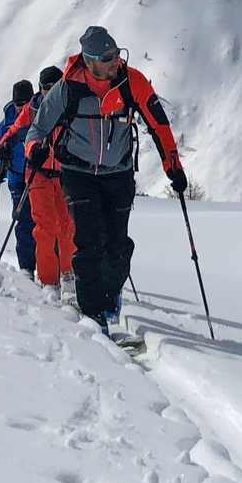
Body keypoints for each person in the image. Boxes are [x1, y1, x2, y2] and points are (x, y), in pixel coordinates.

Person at [24, 25, 187, 332]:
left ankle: (111, 297)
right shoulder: (68, 87)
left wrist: (173, 167)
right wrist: (34, 148)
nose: (115, 61)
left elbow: (159, 126)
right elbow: (38, 128)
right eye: (108, 57)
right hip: (77, 173)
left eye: (116, 54)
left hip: (118, 174)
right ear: (89, 60)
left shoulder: (131, 81)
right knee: (88, 242)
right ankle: (92, 314)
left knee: (117, 245)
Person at [19, 65, 75, 291]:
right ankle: (49, 279)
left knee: (67, 226)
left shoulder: (71, 107)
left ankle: (67, 271)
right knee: (45, 227)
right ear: (40, 88)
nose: (50, 92)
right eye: (46, 88)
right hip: (38, 174)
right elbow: (16, 130)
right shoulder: (32, 110)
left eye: (55, 87)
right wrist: (8, 146)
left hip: (63, 175)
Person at [0, 80, 35, 274]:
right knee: (23, 221)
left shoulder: (40, 116)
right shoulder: (6, 122)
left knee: (44, 223)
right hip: (17, 176)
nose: (21, 108)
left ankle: (49, 266)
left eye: (26, 103)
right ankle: (26, 267)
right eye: (18, 103)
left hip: (39, 176)